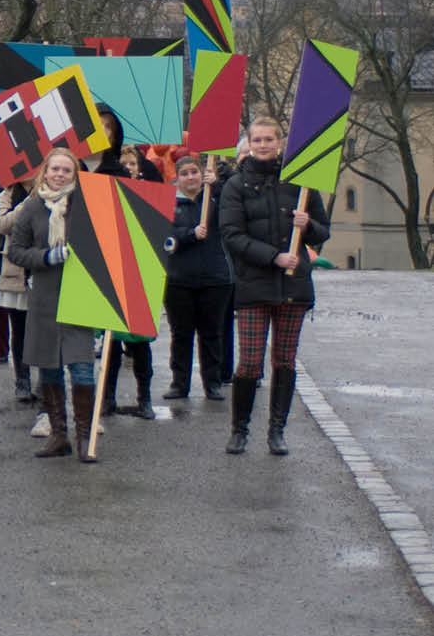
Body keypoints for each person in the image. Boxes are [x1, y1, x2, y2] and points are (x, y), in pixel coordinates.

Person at [219, 117, 330, 456]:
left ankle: (277, 431)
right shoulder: (235, 186)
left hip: (293, 288)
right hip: (254, 286)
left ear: (280, 142)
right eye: (258, 139)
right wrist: (274, 258)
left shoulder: (301, 184)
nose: (264, 145)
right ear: (249, 144)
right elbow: (232, 236)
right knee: (250, 362)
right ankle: (239, 430)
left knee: (284, 359)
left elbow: (322, 232)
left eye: (270, 139)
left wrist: (307, 223)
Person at [7, 147, 99, 463]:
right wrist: (45, 257)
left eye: (66, 171)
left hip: (79, 297)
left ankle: (85, 437)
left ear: (75, 175)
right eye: (54, 169)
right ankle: (59, 435)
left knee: (82, 368)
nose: (59, 175)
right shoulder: (32, 207)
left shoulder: (87, 207)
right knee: (49, 367)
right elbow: (17, 251)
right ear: (45, 171)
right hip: (45, 297)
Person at [83, 106, 163, 419]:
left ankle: (144, 396)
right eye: (95, 125)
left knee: (136, 336)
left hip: (125, 259)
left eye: (107, 127)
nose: (101, 132)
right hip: (91, 261)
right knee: (107, 341)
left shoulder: (119, 171)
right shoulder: (76, 169)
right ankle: (106, 396)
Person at [162, 154, 231, 402]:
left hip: (215, 277)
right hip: (178, 279)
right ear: (177, 177)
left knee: (212, 334)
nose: (191, 177)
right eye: (185, 173)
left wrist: (220, 185)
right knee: (181, 334)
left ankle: (212, 383)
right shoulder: (167, 202)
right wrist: (190, 234)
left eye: (194, 172)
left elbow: (234, 209)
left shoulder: (215, 197)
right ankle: (179, 383)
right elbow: (163, 236)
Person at [0, 181, 35, 406]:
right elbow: (2, 225)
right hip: (16, 270)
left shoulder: (52, 190)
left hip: (41, 269)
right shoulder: (8, 194)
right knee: (19, 328)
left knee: (43, 330)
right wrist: (27, 203)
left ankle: (45, 382)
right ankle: (22, 379)